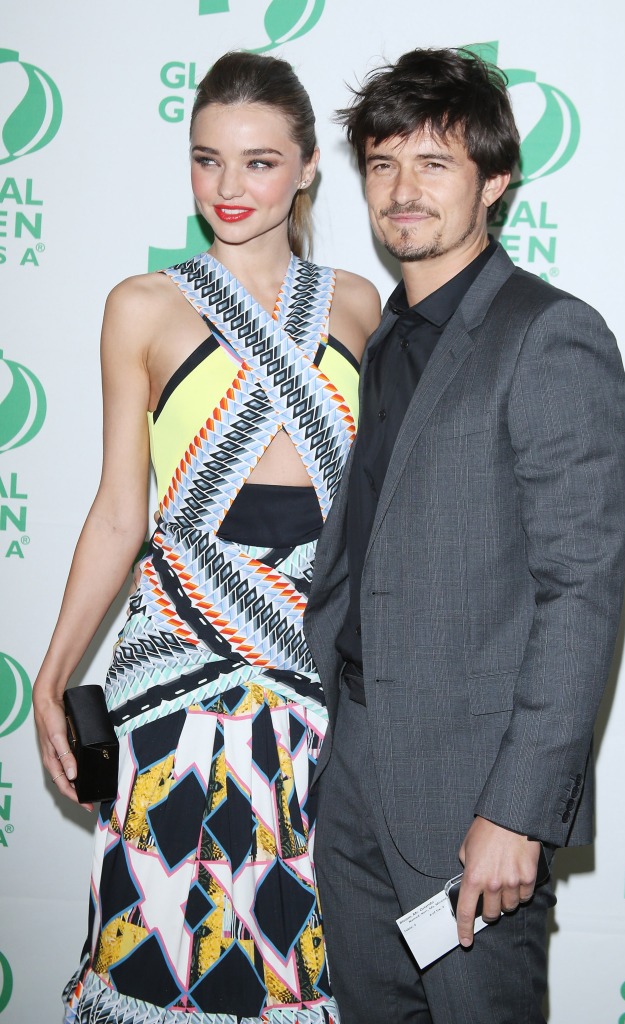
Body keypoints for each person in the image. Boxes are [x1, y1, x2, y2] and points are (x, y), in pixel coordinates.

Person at [32, 50, 380, 1023]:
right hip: (173, 661)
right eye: (207, 159)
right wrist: (51, 672)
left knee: (302, 951)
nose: (229, 188)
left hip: (312, 668)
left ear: (309, 167)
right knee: (160, 945)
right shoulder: (140, 307)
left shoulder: (358, 305)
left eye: (260, 162)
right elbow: (117, 511)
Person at [304, 47, 625, 1023]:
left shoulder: (548, 335)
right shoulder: (385, 337)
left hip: (472, 792)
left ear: (494, 180)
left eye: (434, 164)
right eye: (383, 163)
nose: (403, 191)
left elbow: (580, 591)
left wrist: (517, 812)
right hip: (354, 766)